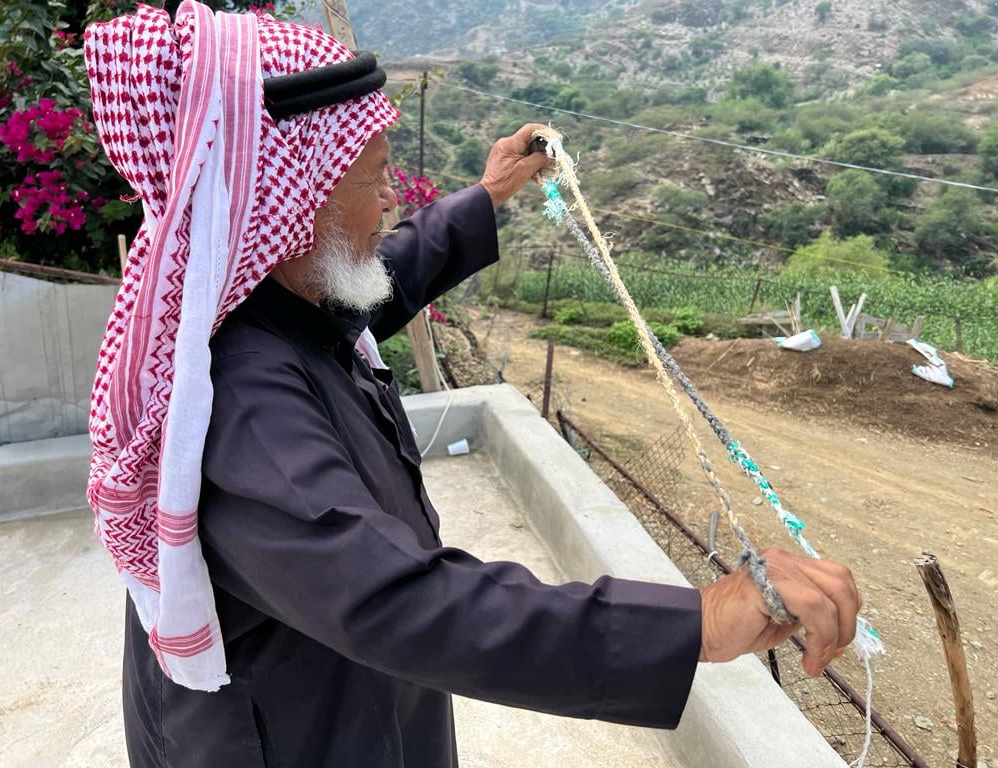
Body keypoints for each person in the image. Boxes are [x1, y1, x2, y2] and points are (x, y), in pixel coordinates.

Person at [83, 4, 861, 767]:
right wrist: (696, 622)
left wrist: (487, 194)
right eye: (374, 178)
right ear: (289, 199)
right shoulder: (240, 401)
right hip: (291, 736)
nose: (391, 199)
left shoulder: (271, 295)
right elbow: (397, 602)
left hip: (344, 697)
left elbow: (381, 280)